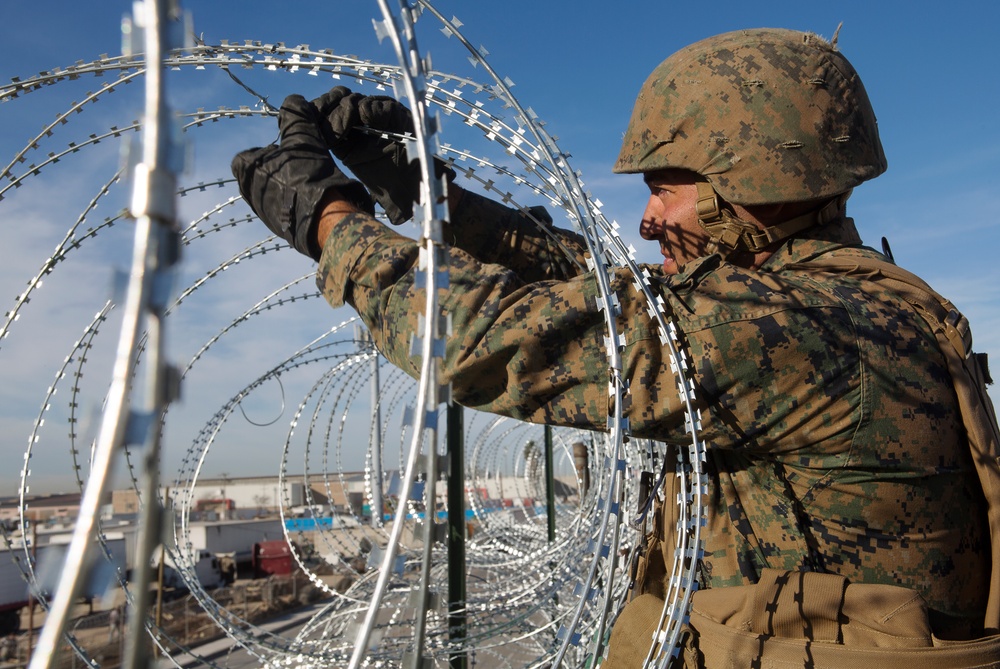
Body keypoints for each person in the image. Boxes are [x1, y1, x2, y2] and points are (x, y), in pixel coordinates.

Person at [232, 27, 995, 661]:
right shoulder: (848, 297)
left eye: (666, 188)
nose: (648, 219)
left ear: (753, 178)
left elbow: (479, 341)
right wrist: (428, 193)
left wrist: (330, 218)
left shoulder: (790, 326)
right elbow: (603, 283)